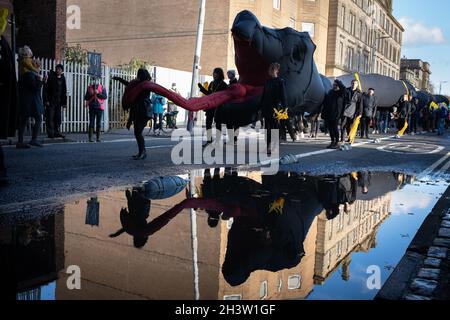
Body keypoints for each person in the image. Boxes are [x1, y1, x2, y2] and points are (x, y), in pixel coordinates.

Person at [113, 68, 153, 160]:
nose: (137, 77)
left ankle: (143, 152)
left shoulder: (146, 85)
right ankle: (141, 152)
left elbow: (133, 87)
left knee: (138, 132)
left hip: (143, 111)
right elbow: (130, 85)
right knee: (137, 132)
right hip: (138, 110)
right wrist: (119, 79)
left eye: (138, 75)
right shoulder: (140, 84)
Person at [260, 63, 293, 153]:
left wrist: (285, 107)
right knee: (267, 128)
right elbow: (263, 96)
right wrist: (260, 108)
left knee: (274, 127)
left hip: (276, 108)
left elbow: (283, 96)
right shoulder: (267, 82)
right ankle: (268, 146)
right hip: (266, 108)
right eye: (270, 69)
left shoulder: (280, 81)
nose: (270, 71)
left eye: (272, 69)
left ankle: (273, 146)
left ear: (277, 71)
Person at [17, 58, 46, 149]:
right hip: (31, 101)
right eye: (39, 66)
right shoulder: (30, 75)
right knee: (36, 118)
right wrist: (41, 81)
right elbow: (35, 88)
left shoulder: (25, 74)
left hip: (28, 100)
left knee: (24, 121)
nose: (40, 68)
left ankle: (21, 141)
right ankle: (31, 140)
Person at [198, 68, 228, 146]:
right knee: (208, 123)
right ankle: (209, 140)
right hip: (211, 106)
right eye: (213, 73)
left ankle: (217, 141)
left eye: (216, 73)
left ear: (219, 74)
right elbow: (209, 94)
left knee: (218, 123)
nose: (214, 75)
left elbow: (226, 96)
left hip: (219, 107)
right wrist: (202, 89)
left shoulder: (223, 84)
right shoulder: (211, 83)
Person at [44, 64, 67, 139]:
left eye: (59, 69)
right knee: (50, 117)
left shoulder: (63, 78)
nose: (58, 70)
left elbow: (64, 91)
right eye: (57, 69)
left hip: (58, 101)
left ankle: (56, 132)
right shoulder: (51, 77)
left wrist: (64, 103)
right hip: (51, 101)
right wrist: (46, 100)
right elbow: (46, 89)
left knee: (57, 117)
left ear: (62, 71)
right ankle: (51, 133)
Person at [321, 79, 346, 149]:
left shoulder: (341, 92)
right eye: (333, 85)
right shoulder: (330, 92)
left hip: (336, 114)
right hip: (328, 113)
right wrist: (323, 112)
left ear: (338, 86)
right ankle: (332, 141)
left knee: (335, 128)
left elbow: (343, 88)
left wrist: (338, 81)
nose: (334, 86)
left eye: (335, 85)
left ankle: (337, 142)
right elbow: (325, 103)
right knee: (330, 128)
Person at [84, 78, 107, 142]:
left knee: (98, 123)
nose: (95, 81)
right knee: (91, 123)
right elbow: (86, 97)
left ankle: (98, 138)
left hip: (100, 107)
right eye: (93, 80)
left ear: (99, 80)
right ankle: (90, 138)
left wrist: (98, 93)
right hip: (92, 107)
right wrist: (91, 94)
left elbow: (105, 96)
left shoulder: (102, 87)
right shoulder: (89, 87)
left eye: (96, 80)